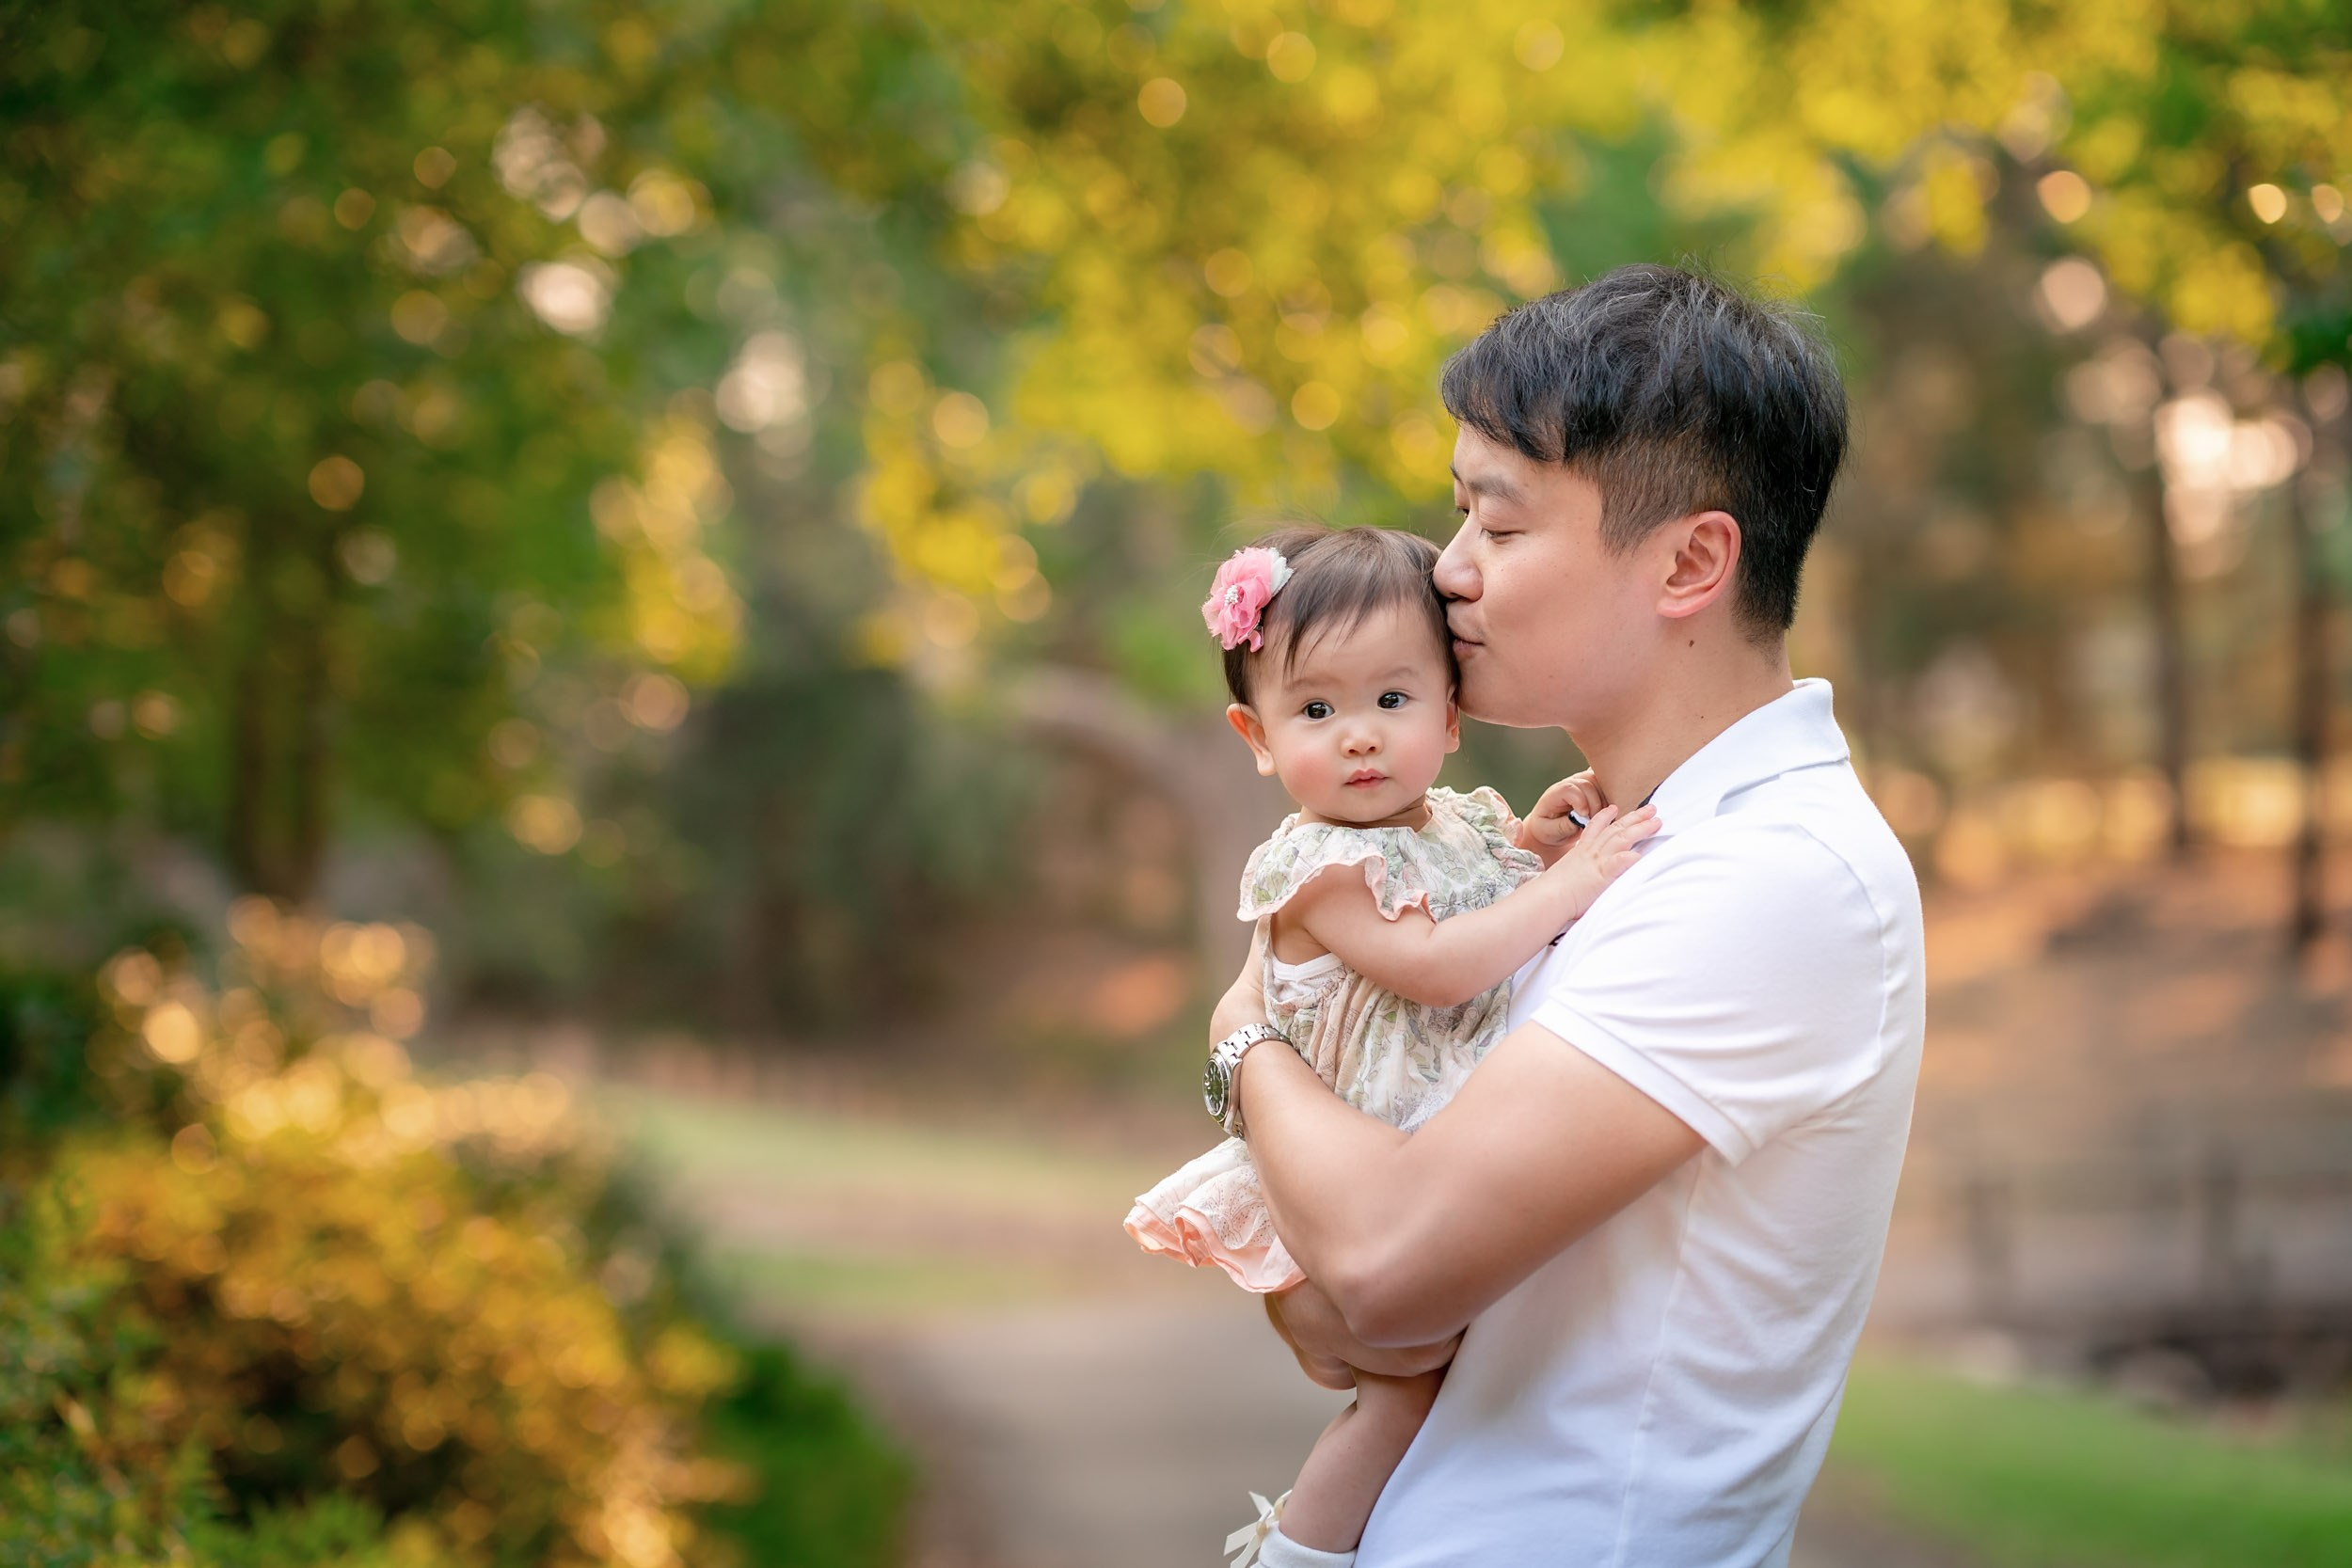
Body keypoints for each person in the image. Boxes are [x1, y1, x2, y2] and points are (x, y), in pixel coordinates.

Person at [1205, 264, 1926, 1568]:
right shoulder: (1618, 843)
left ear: (1692, 561)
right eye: (1456, 513)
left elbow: (1385, 1265)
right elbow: (1343, 1316)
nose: (1451, 570)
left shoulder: (1775, 875)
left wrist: (1242, 1032)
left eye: (1500, 522)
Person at [1124, 523, 1658, 1564]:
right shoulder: (1316, 869)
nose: (1359, 734)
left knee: (1452, 1380)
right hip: (1344, 1181)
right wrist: (1573, 883)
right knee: (1400, 1390)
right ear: (1257, 734)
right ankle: (1296, 1552)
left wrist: (1524, 846)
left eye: (1392, 699)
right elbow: (1438, 963)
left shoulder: (1441, 825)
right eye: (1316, 708)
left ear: (1450, 715)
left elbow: (1457, 888)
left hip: (1413, 1158)